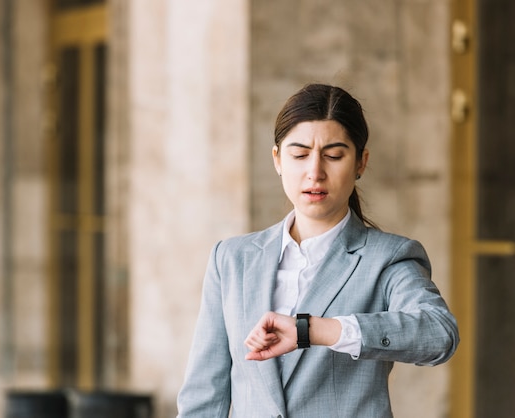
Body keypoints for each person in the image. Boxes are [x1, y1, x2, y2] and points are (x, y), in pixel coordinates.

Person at [176, 83, 459, 418]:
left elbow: (438, 334)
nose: (315, 172)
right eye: (299, 155)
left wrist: (311, 331)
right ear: (278, 160)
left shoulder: (388, 258)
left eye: (334, 155)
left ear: (361, 163)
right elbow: (203, 397)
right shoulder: (232, 259)